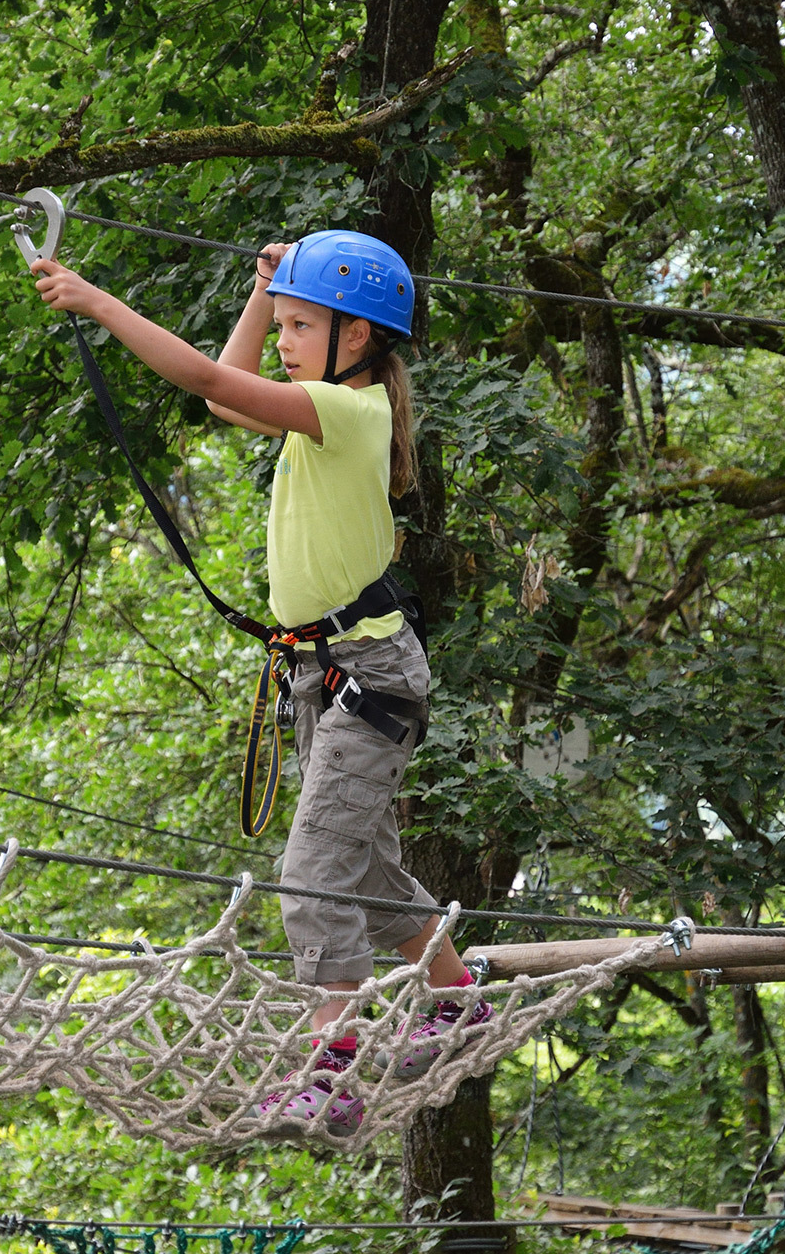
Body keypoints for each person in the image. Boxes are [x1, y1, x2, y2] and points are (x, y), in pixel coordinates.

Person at [31, 230, 491, 1135]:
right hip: (328, 672)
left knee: (312, 872)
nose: (280, 341)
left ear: (354, 339)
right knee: (358, 863)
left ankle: (331, 1071)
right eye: (281, 327)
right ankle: (456, 998)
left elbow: (205, 381)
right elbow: (221, 392)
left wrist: (96, 300)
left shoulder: (346, 413)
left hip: (369, 674)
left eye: (299, 326)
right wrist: (266, 292)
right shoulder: (318, 405)